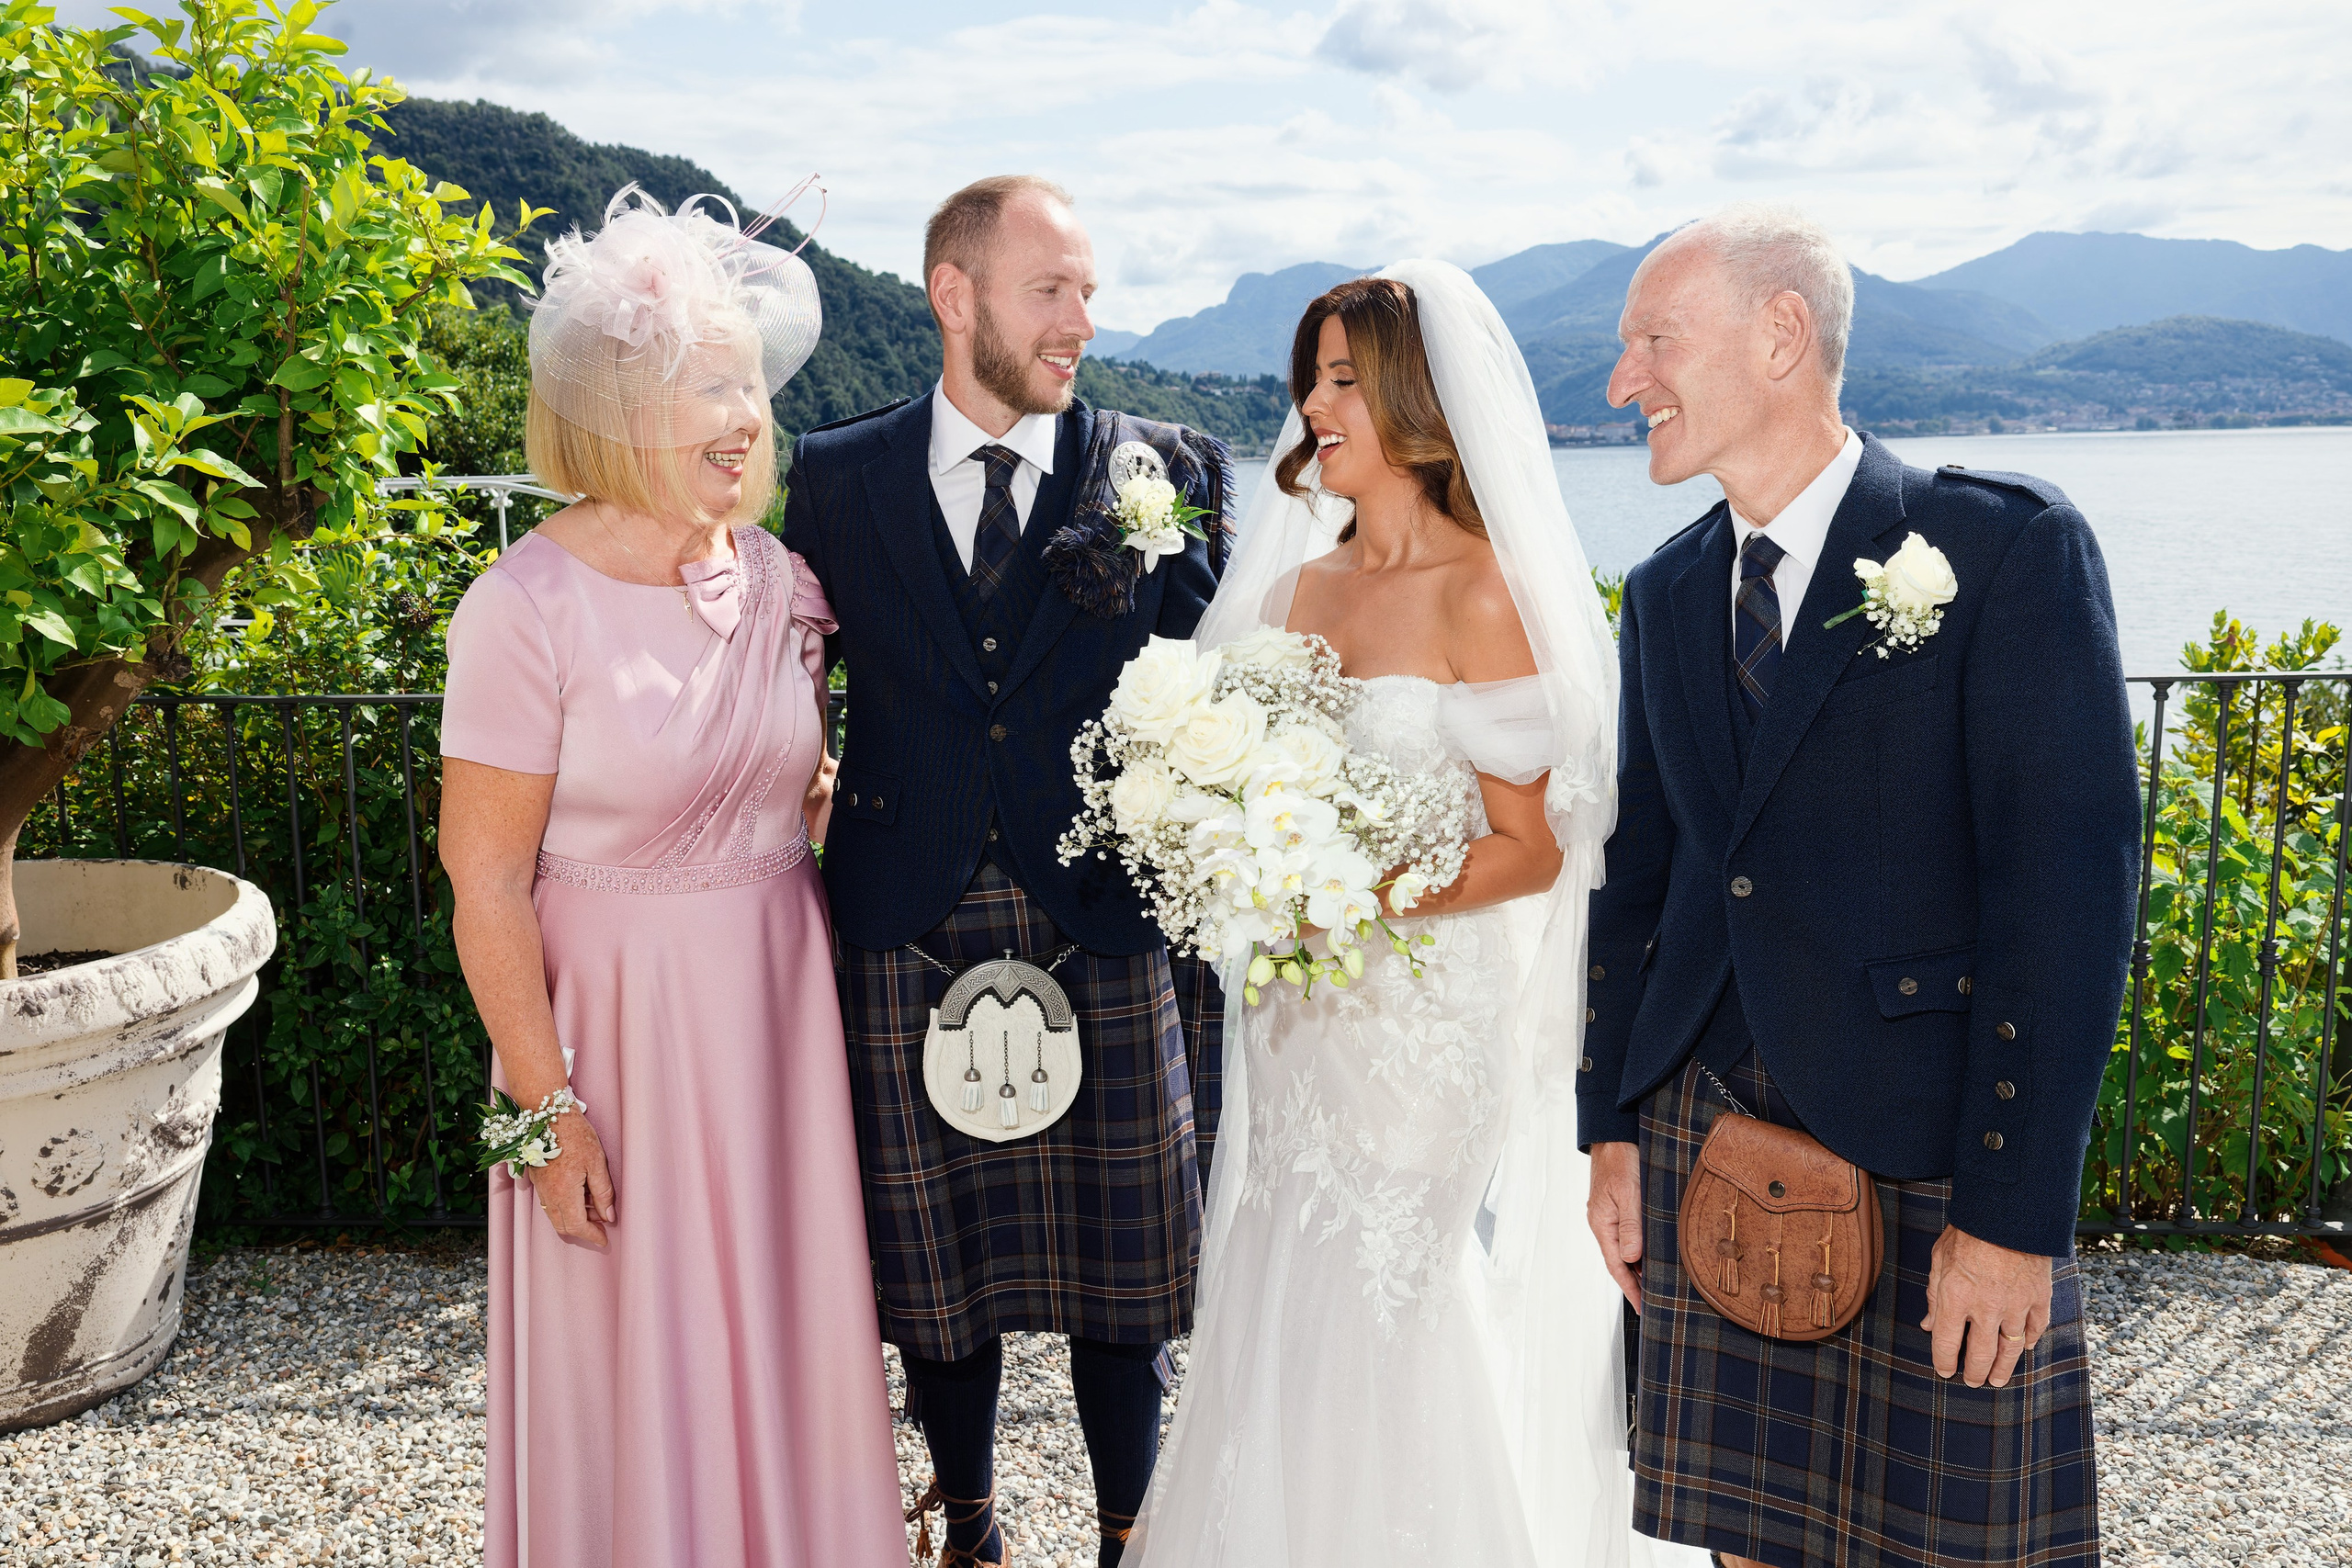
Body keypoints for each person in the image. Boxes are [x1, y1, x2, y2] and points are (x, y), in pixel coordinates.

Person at [1126, 265, 1710, 1568]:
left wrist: (1360, 895)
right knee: (1280, 1292)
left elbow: (1530, 850)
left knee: (1384, 1297)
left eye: (1343, 379)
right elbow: (1227, 790)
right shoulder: (1289, 594)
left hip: (1423, 1021)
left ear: (1416, 401)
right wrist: (1234, 861)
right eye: (1311, 379)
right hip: (1295, 1018)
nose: (1313, 406)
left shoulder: (1482, 589)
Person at [1580, 204, 2137, 1568]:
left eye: (1653, 339)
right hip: (1706, 1135)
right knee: (1746, 1544)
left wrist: (2012, 1223)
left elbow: (2066, 900)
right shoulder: (1663, 592)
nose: (1619, 381)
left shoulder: (2002, 549)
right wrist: (1606, 1129)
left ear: (1780, 334)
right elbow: (1637, 887)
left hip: (1934, 1156)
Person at [440, 186, 905, 1568]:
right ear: (617, 415)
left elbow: (805, 798)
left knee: (786, 1323)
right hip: (611, 1051)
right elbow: (481, 885)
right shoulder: (522, 609)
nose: (747, 418)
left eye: (751, 386)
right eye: (709, 389)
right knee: (630, 1350)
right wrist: (545, 1119)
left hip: (776, 1027)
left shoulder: (779, 581)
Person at [780, 175, 1231, 1568]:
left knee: (1125, 1277)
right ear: (953, 294)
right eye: (1054, 291)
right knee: (938, 1273)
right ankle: (966, 1524)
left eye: (1090, 292)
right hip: (903, 910)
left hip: (1101, 913)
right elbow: (780, 689)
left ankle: (1126, 1530)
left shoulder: (1168, 470)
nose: (1083, 322)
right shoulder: (834, 477)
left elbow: (1220, 697)